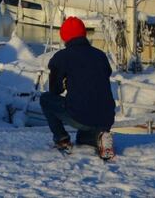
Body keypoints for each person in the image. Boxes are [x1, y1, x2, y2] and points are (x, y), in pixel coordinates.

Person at [40, 16, 116, 159]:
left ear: (65, 37)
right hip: (106, 117)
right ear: (84, 34)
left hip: (80, 114)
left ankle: (62, 139)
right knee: (82, 139)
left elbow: (55, 91)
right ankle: (101, 137)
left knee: (46, 99)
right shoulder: (100, 55)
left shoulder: (62, 57)